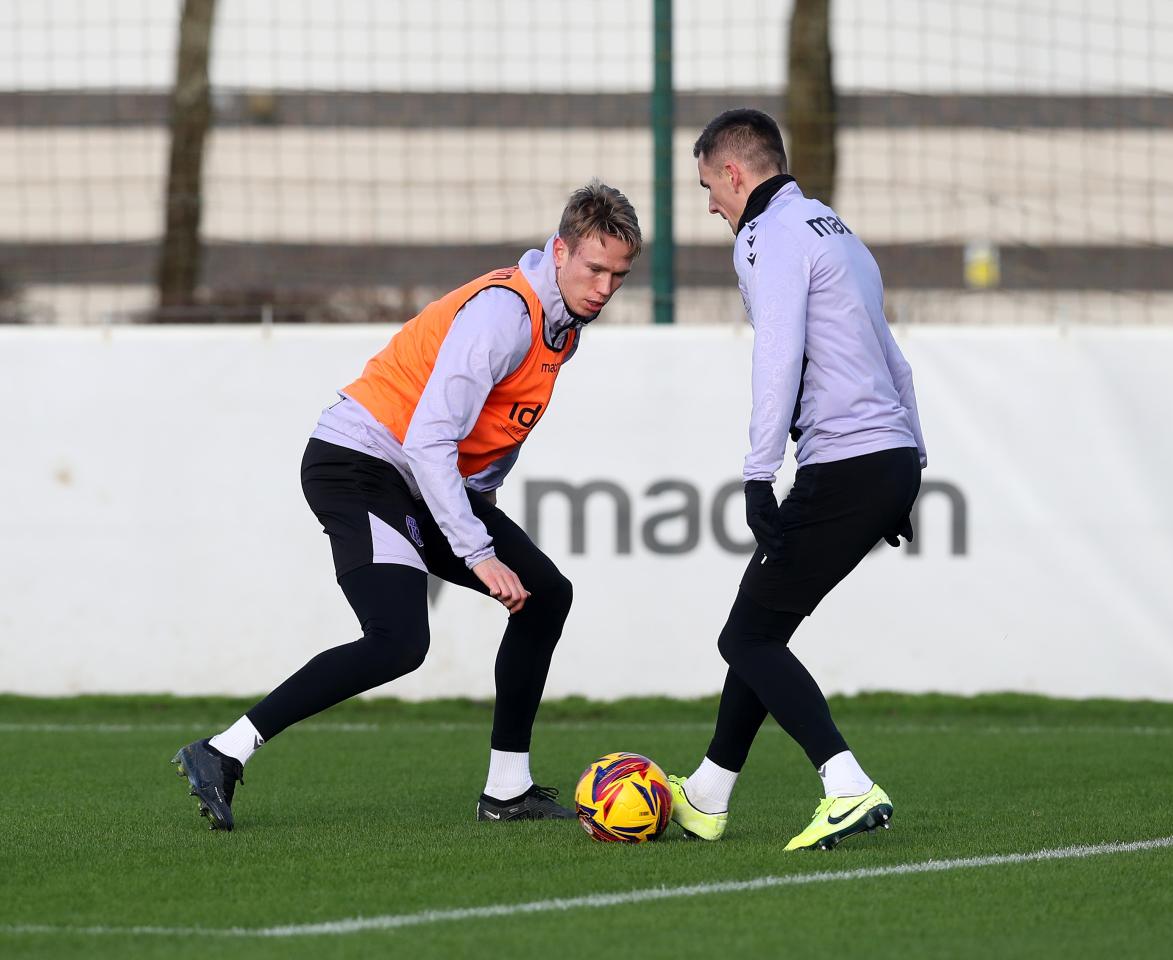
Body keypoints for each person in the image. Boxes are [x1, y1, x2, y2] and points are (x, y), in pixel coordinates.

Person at [172, 180, 641, 831]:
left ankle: (507, 790)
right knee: (397, 640)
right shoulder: (504, 314)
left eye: (618, 275)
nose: (604, 288)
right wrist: (477, 551)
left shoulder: (563, 323)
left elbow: (496, 427)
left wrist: (481, 514)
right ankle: (221, 751)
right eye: (594, 268)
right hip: (358, 466)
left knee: (545, 595)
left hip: (422, 477)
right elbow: (428, 437)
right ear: (559, 251)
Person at [668, 109, 927, 851]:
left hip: (844, 462)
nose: (710, 204)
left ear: (735, 173)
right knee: (762, 627)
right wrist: (913, 467)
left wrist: (757, 476)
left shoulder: (765, 236)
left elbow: (776, 355)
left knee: (746, 636)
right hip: (886, 459)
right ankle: (709, 794)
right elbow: (894, 360)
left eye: (708, 186)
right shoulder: (836, 231)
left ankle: (845, 783)